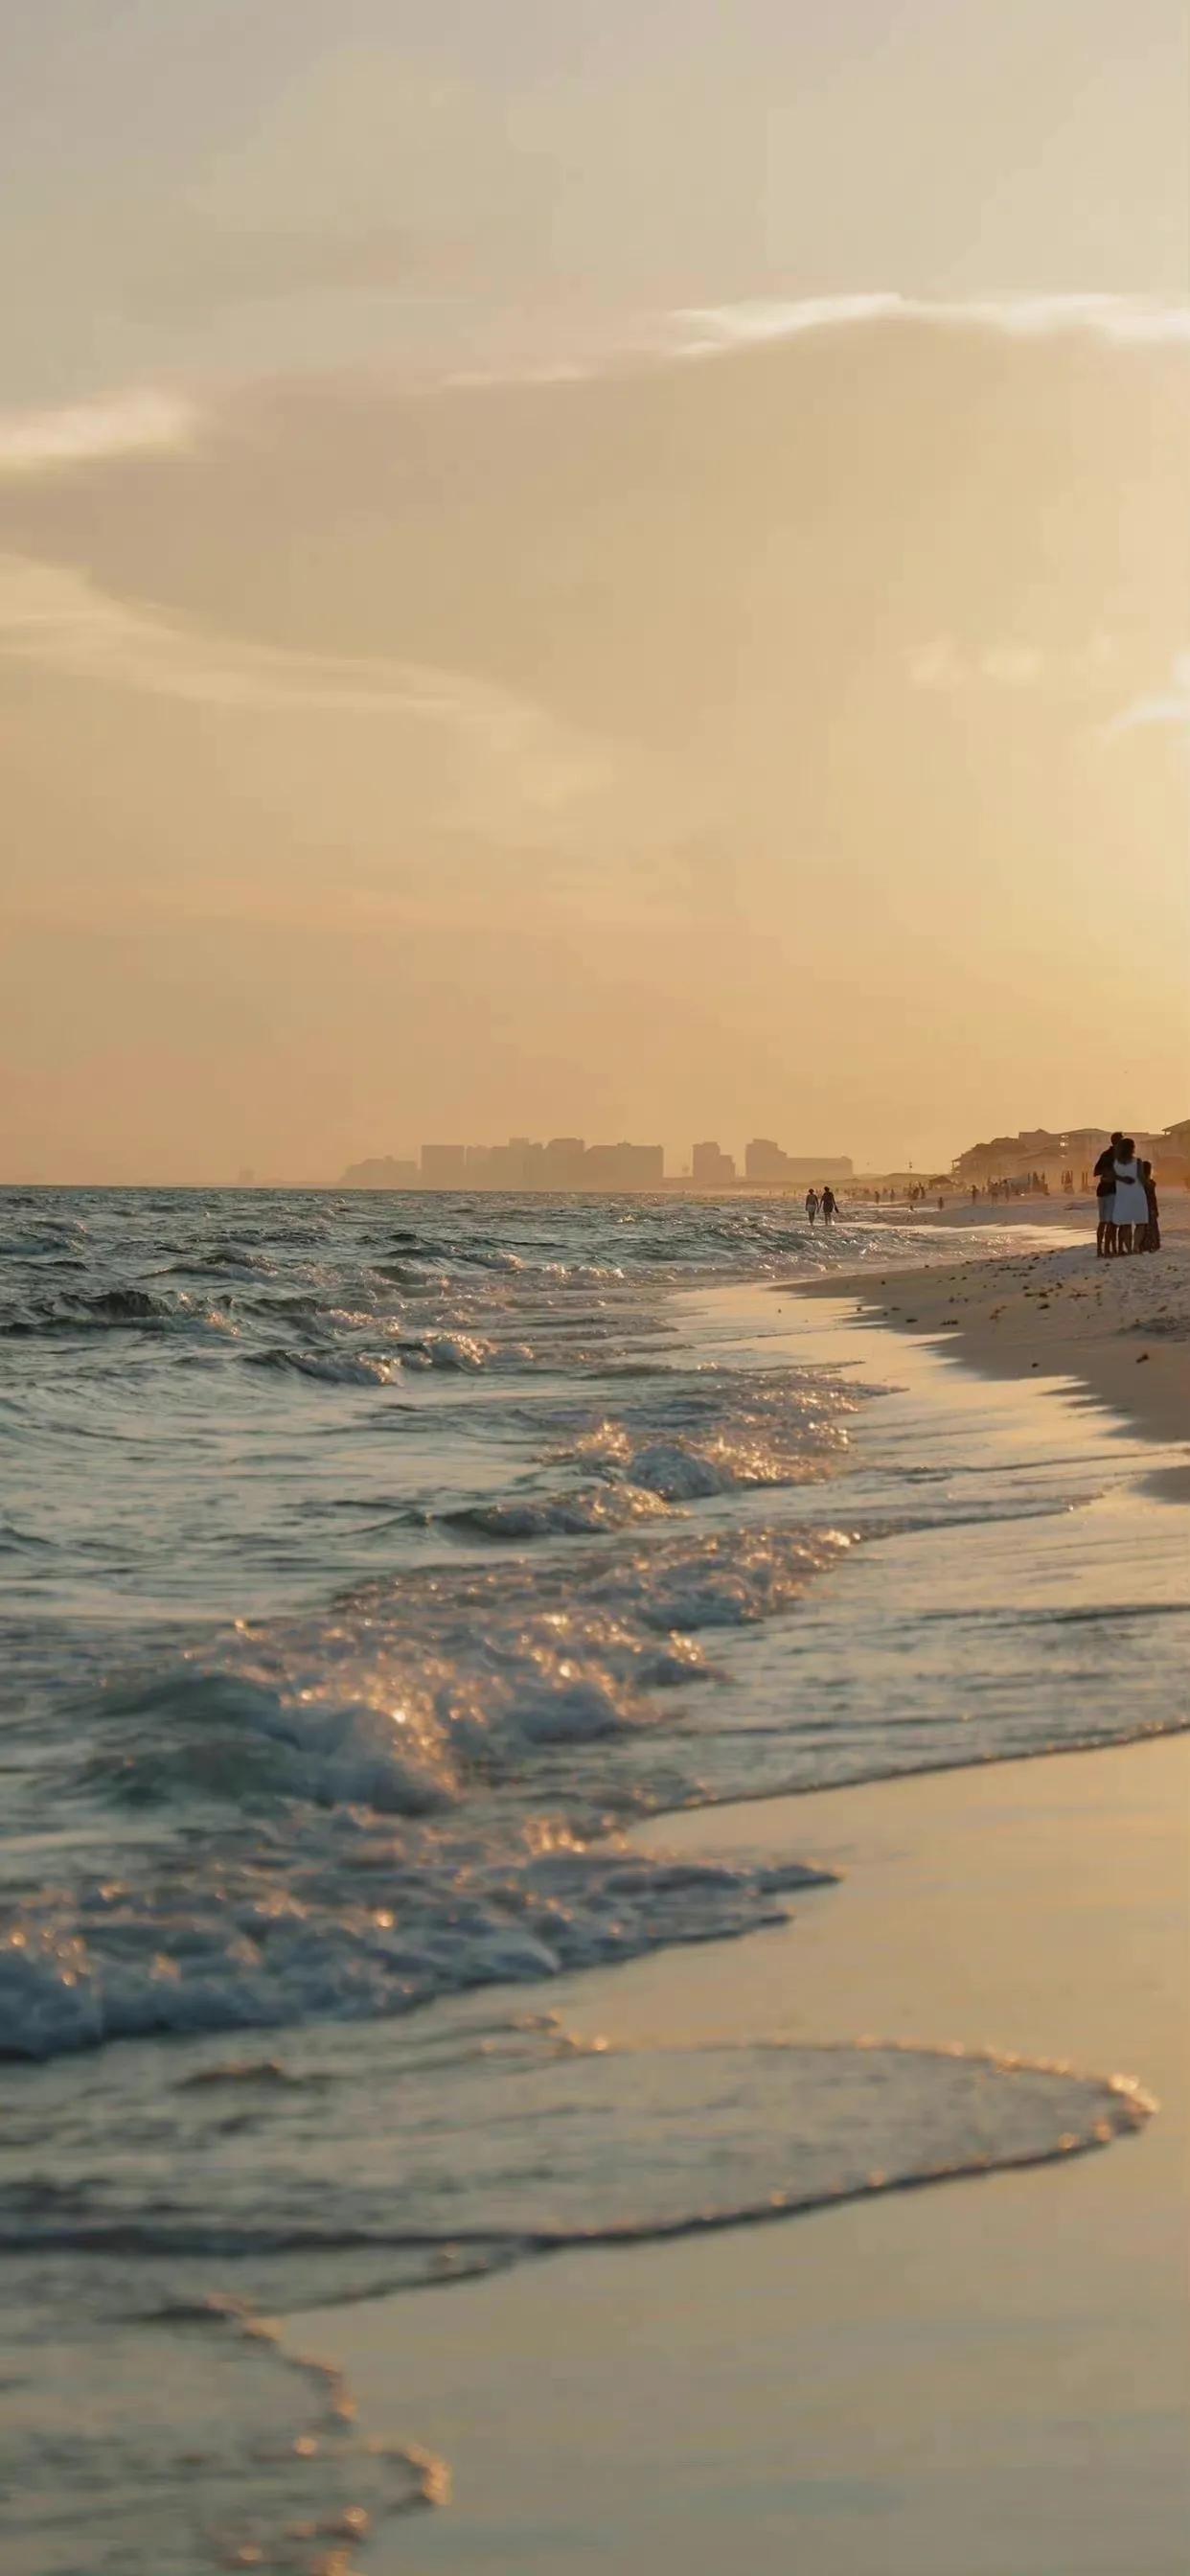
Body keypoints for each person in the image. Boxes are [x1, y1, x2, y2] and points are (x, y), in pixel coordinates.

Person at [1110, 1139, 1147, 1254]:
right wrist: (1148, 1184)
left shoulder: (1115, 1162)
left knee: (1126, 1224)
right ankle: (1136, 1246)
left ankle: (1129, 1248)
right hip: (1137, 1194)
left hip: (1122, 1195)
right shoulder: (1137, 1161)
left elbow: (1112, 1176)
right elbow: (1141, 1178)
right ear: (1132, 1148)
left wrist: (1122, 1179)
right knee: (1140, 1222)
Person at [1093, 1132, 1124, 1256]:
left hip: (1102, 1191)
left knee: (1103, 1221)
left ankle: (1101, 1249)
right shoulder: (1119, 1157)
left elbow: (1096, 1171)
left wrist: (1106, 1173)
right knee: (1112, 1222)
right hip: (1112, 1191)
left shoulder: (1105, 1154)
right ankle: (1108, 1249)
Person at [1140, 1158, 1160, 1253]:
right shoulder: (1149, 1183)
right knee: (1152, 1225)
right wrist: (1156, 1209)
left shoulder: (1141, 1182)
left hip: (1143, 1206)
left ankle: (1144, 1244)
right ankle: (1152, 1243)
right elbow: (1153, 1197)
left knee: (1144, 1226)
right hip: (1150, 1206)